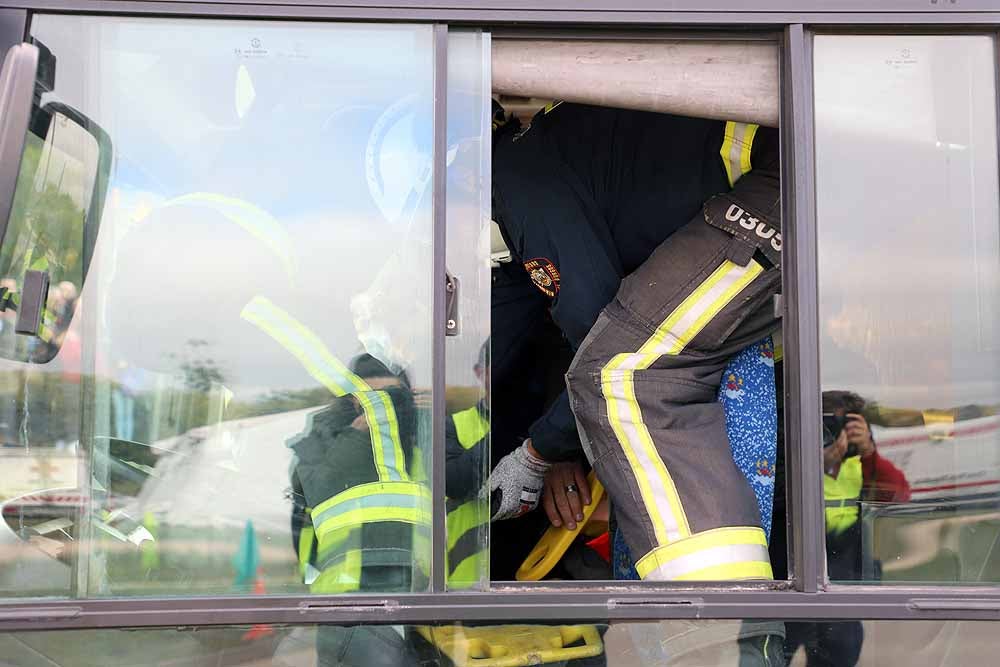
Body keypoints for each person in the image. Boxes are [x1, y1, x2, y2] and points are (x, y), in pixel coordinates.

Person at [488, 100, 784, 662]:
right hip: (782, 179)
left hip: (797, 176)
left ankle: (722, 641)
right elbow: (536, 318)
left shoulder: (516, 178)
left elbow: (597, 328)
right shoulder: (555, 166)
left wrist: (536, 453)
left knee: (627, 375)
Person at [784, 390, 910, 666]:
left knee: (841, 654)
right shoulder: (791, 458)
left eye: (843, 424)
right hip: (792, 579)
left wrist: (868, 452)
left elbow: (898, 494)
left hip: (843, 581)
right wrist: (818, 464)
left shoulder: (862, 461)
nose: (835, 432)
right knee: (773, 653)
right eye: (828, 425)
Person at [443, 340, 491, 588]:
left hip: (531, 581)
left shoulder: (539, 428)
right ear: (479, 373)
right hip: (466, 585)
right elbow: (455, 481)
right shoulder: (452, 425)